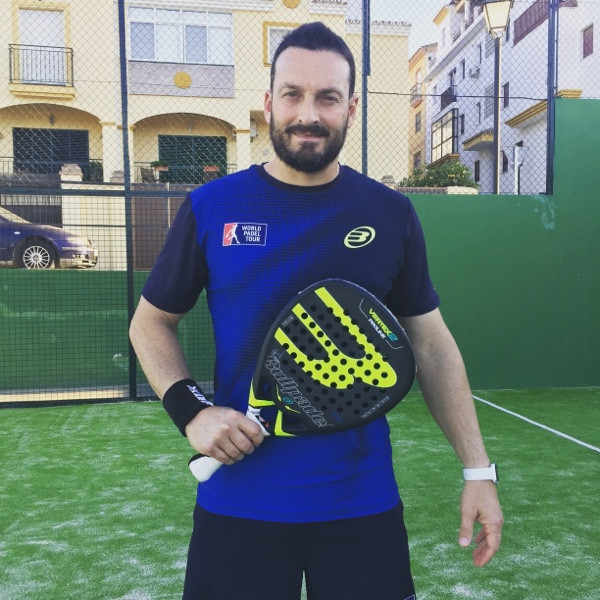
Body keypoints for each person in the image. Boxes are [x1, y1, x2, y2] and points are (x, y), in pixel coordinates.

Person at [129, 21, 503, 600]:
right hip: (238, 503)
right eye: (293, 94)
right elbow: (151, 322)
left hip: (360, 503)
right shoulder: (211, 207)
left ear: (351, 108)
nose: (308, 114)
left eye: (327, 97)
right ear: (268, 103)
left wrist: (478, 469)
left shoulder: (390, 214)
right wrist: (191, 412)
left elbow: (430, 345)